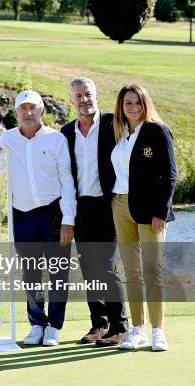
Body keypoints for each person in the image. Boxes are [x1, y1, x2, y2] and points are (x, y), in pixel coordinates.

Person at [0, 90, 76, 347]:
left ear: (42, 111)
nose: (28, 112)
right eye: (23, 108)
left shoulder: (56, 139)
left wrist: (69, 218)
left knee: (58, 272)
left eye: (33, 107)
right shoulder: (7, 139)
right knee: (30, 273)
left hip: (53, 213)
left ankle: (54, 327)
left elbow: (67, 179)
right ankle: (37, 324)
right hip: (22, 215)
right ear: (16, 112)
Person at [60, 77, 129, 346]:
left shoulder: (115, 123)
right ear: (71, 101)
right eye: (78, 96)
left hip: (109, 205)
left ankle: (121, 326)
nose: (84, 100)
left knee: (108, 267)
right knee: (90, 270)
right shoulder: (66, 133)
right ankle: (99, 325)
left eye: (88, 95)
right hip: (81, 208)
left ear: (96, 95)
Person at [110, 84, 176, 351]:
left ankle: (158, 331)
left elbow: (170, 174)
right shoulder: (121, 132)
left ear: (145, 103)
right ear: (121, 106)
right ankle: (138, 331)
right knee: (132, 271)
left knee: (152, 271)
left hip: (150, 211)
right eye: (128, 103)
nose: (133, 107)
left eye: (138, 102)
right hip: (120, 205)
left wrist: (161, 211)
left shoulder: (157, 130)